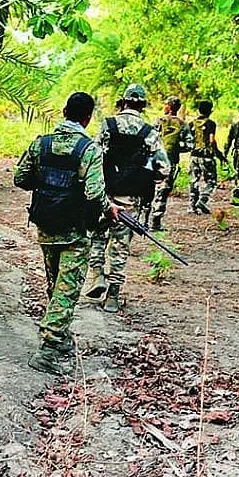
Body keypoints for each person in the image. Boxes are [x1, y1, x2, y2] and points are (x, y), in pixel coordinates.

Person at [14, 93, 114, 375]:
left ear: (64, 111)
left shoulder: (41, 144)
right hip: (74, 230)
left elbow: (21, 178)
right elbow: (94, 193)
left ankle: (60, 336)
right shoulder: (89, 150)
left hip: (46, 224)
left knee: (56, 285)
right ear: (87, 117)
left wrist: (47, 183)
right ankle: (48, 350)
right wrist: (108, 209)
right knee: (67, 289)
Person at [86, 84, 168, 313]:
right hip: (130, 198)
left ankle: (97, 276)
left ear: (123, 102)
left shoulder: (108, 125)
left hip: (103, 194)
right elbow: (164, 168)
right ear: (142, 105)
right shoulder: (149, 132)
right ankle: (112, 296)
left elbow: (93, 155)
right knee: (120, 246)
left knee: (97, 237)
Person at [150, 96, 186, 231]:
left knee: (149, 188)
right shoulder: (182, 124)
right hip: (171, 161)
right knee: (164, 191)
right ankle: (156, 222)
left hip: (154, 160)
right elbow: (189, 144)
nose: (164, 106)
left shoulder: (159, 121)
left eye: (166, 104)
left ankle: (144, 218)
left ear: (170, 107)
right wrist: (176, 148)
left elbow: (149, 138)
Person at [188, 101, 227, 214]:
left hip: (194, 156)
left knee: (193, 180)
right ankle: (203, 200)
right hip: (207, 157)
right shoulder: (211, 123)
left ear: (198, 110)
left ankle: (192, 206)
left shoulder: (191, 123)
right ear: (210, 111)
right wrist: (219, 155)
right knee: (211, 181)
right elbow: (211, 140)